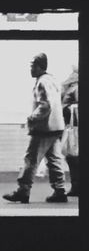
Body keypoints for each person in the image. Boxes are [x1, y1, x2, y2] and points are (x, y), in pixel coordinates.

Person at [3, 53, 70, 204]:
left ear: (40, 67)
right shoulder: (52, 80)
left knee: (31, 159)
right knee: (54, 159)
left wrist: (31, 118)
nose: (31, 69)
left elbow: (45, 105)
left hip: (44, 128)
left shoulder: (42, 82)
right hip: (55, 127)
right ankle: (60, 191)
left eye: (33, 66)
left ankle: (23, 191)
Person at [61, 63, 80, 197]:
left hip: (74, 129)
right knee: (72, 158)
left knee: (73, 158)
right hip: (71, 127)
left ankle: (77, 186)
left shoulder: (75, 88)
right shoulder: (72, 87)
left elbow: (77, 108)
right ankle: (76, 186)